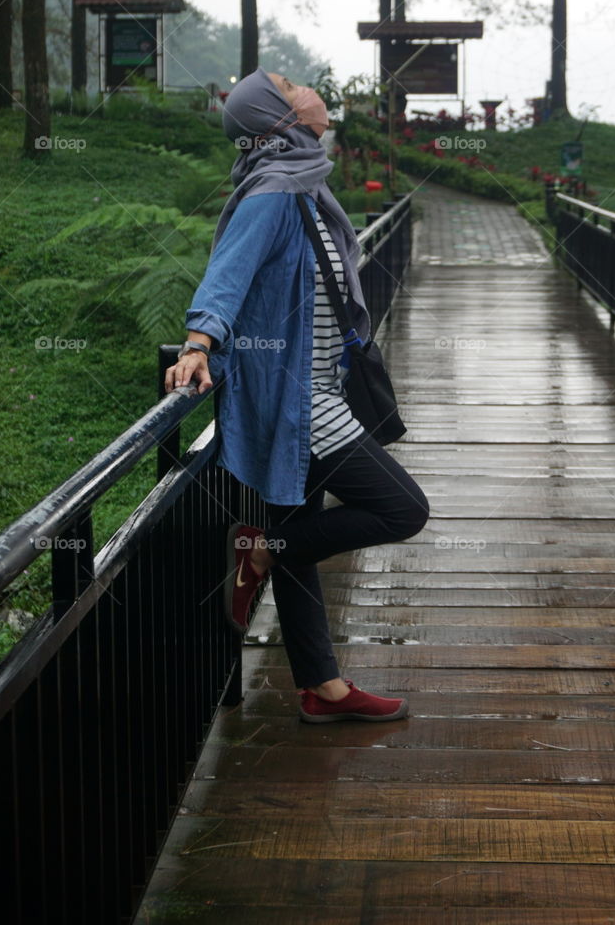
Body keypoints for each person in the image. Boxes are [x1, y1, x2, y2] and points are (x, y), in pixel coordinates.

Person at [164, 67, 429, 722]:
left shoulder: (304, 187)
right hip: (295, 403)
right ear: (275, 117)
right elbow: (226, 274)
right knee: (402, 509)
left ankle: (320, 687)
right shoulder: (275, 193)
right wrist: (198, 343)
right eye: (289, 86)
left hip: (317, 390)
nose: (309, 91)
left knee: (299, 533)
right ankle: (256, 550)